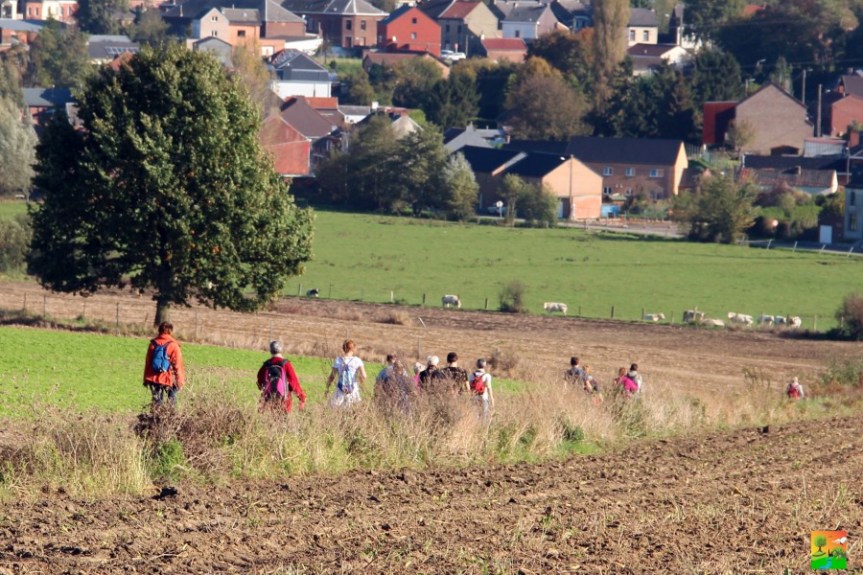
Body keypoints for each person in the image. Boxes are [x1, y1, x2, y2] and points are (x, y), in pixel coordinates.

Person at [143, 321, 185, 408]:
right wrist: (179, 381)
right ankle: (170, 419)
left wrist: (146, 378)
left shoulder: (153, 344)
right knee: (172, 402)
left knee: (157, 403)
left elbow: (148, 362)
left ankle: (156, 419)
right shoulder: (173, 345)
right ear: (170, 331)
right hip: (169, 378)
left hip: (154, 378)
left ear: (159, 330)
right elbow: (177, 365)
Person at [256, 340, 306, 413]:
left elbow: (259, 380)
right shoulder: (286, 364)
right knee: (283, 422)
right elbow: (294, 382)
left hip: (268, 402)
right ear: (281, 350)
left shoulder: (266, 364)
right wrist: (302, 397)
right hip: (284, 402)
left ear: (271, 350)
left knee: (270, 422)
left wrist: (265, 390)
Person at [326, 339, 367, 408]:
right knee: (353, 411)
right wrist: (361, 382)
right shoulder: (357, 360)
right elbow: (364, 376)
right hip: (353, 390)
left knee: (337, 410)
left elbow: (332, 376)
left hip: (340, 390)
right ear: (353, 349)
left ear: (343, 349)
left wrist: (327, 388)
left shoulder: (338, 360)